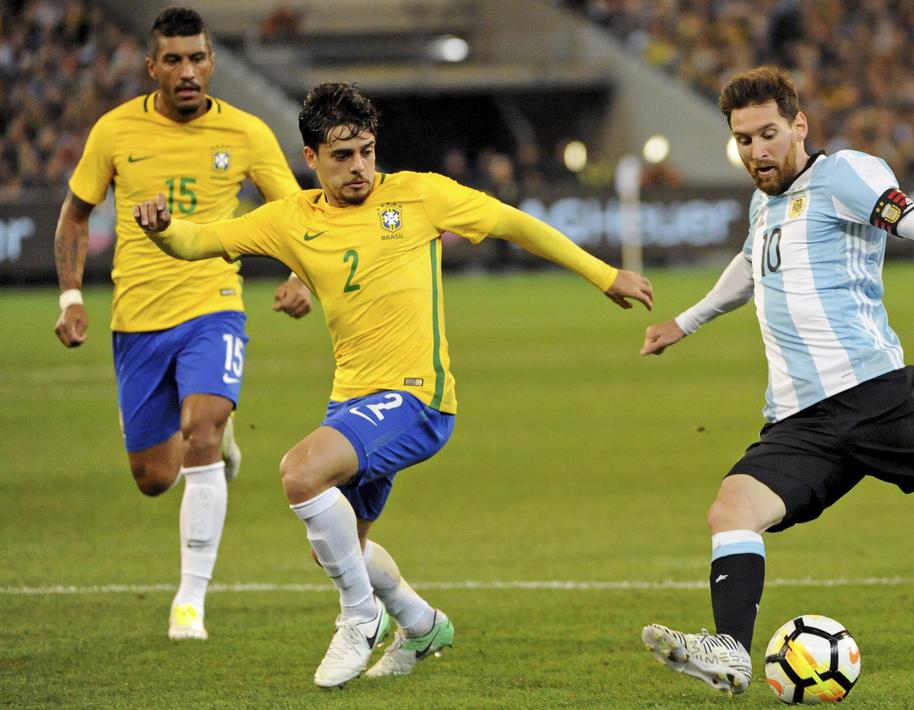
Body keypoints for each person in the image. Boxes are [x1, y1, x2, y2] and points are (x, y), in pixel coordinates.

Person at [132, 82, 654, 687]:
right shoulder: (288, 220)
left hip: (418, 398)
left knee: (300, 473)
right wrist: (163, 228)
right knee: (335, 547)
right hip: (353, 398)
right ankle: (421, 621)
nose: (359, 168)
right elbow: (201, 240)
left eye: (366, 152)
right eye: (342, 156)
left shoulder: (420, 195)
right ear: (311, 159)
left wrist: (603, 273)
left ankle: (361, 618)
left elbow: (515, 224)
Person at [637, 66, 914, 696]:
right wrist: (684, 323)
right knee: (732, 509)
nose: (756, 151)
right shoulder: (762, 203)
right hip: (802, 419)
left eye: (767, 133)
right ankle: (732, 652)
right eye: (744, 140)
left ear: (799, 124)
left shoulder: (847, 174)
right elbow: (749, 265)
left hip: (880, 399)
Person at [52, 7, 312, 642]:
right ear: (152, 67)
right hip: (137, 318)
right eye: (174, 60)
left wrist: (303, 277)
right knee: (154, 478)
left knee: (200, 427)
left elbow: (300, 214)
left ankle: (189, 602)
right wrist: (69, 298)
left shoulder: (247, 134)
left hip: (213, 305)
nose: (187, 71)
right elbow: (75, 217)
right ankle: (217, 445)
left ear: (212, 62)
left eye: (197, 58)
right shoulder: (115, 132)